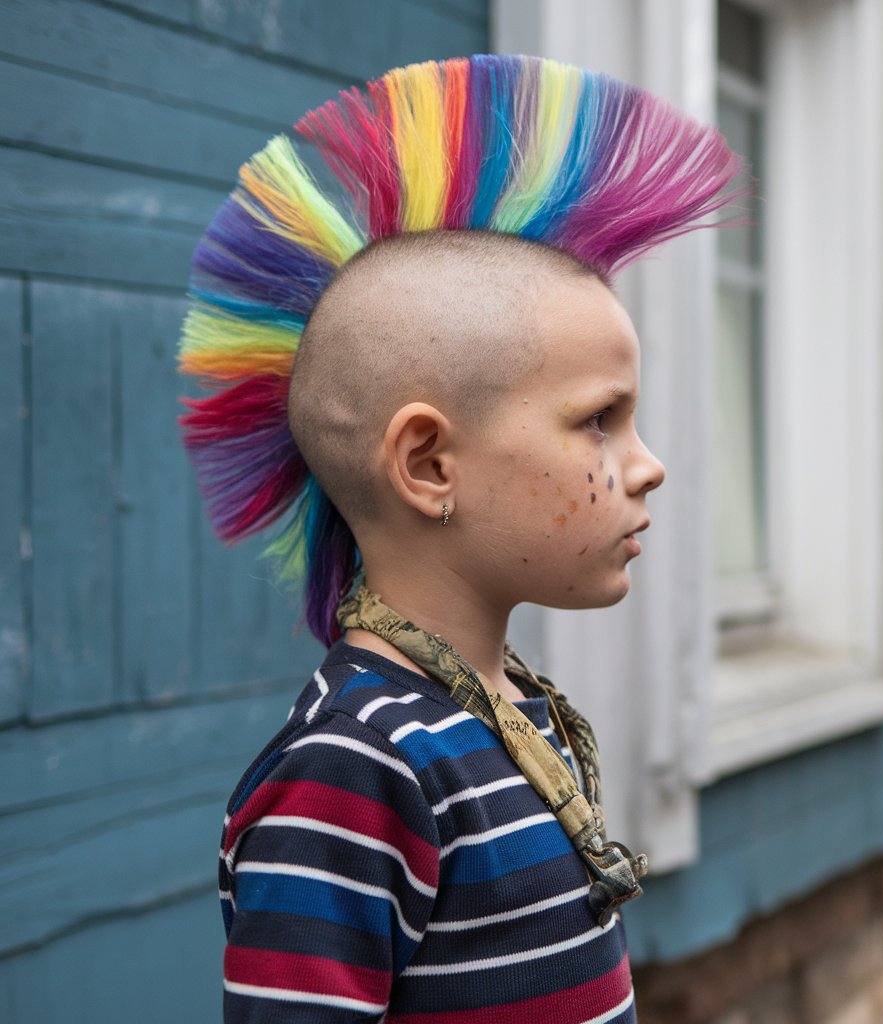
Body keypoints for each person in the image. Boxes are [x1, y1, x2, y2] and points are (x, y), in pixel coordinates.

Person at [180, 54, 742, 1023]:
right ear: (431, 465)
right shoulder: (355, 771)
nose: (645, 465)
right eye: (600, 420)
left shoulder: (508, 710)